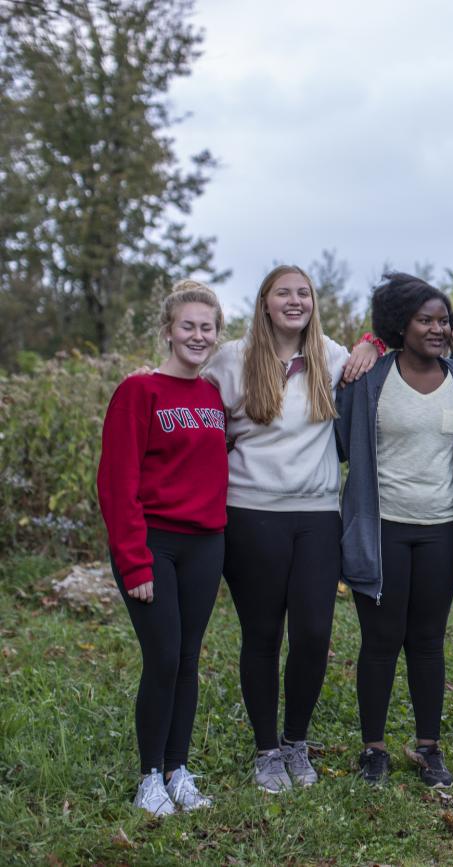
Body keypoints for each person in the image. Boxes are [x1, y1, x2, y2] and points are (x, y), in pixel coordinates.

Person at [203, 265, 380, 792]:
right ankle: (266, 751)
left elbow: (384, 361)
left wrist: (371, 340)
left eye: (303, 293)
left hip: (316, 515)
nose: (295, 301)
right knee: (262, 635)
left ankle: (296, 742)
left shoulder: (331, 355)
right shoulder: (231, 359)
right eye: (284, 293)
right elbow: (189, 396)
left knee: (312, 633)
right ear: (265, 301)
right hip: (251, 512)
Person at [335, 274, 453, 787]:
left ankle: (428, 747)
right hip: (382, 529)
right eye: (426, 320)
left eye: (444, 320)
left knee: (427, 641)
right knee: (380, 640)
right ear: (401, 324)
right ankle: (373, 748)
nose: (438, 329)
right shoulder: (370, 377)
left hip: (442, 528)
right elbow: (340, 442)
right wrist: (367, 344)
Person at [97, 281, 228, 816]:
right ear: (168, 331)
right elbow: (115, 482)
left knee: (189, 659)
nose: (197, 336)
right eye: (188, 326)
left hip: (205, 543)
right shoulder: (139, 391)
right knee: (164, 657)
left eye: (207, 327)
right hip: (153, 543)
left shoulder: (213, 395)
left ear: (217, 335)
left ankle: (178, 770)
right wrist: (133, 560)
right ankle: (149, 776)